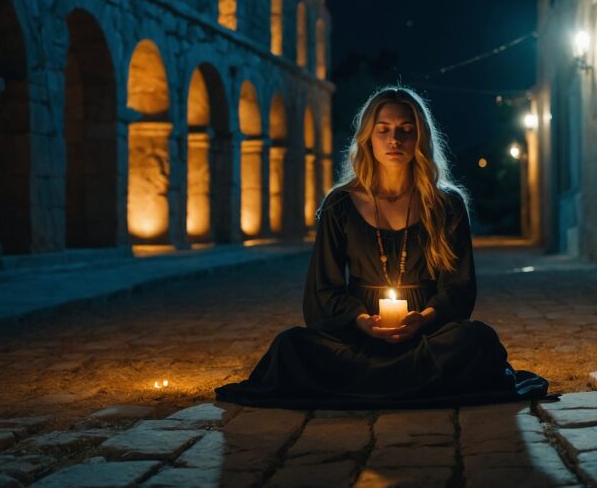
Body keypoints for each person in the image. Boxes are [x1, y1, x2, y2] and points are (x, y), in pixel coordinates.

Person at [215, 86, 547, 408]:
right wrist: (361, 321)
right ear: (367, 138)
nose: (394, 139)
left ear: (420, 138)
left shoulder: (447, 203)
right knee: (291, 345)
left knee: (477, 340)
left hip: (427, 335)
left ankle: (368, 383)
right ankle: (409, 382)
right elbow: (324, 289)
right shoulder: (340, 203)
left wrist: (424, 319)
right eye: (383, 129)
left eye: (406, 129)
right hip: (358, 334)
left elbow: (458, 288)